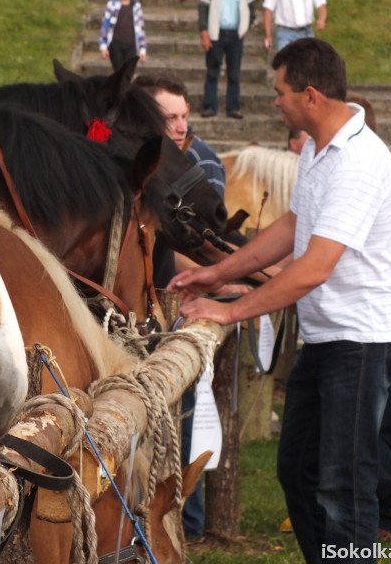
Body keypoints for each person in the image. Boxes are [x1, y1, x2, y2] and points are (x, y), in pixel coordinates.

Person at [168, 38, 391, 562]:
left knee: (342, 484)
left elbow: (313, 267)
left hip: (362, 340)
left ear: (310, 95)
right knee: (299, 472)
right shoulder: (316, 149)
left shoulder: (357, 160)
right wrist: (217, 272)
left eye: (280, 92)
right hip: (331, 336)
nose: (274, 101)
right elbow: (294, 227)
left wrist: (231, 308)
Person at [134, 72, 226, 537]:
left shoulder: (193, 167)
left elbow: (198, 244)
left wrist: (222, 279)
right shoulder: (139, 176)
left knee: (179, 424)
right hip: (139, 323)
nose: (179, 126)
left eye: (185, 117)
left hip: (169, 318)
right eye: (169, 117)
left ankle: (180, 522)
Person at [198, 0, 256, 120]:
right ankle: (210, 106)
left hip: (235, 35)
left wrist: (245, 27)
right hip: (216, 34)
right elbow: (202, 10)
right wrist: (204, 32)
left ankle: (233, 108)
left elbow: (252, 8)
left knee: (234, 73)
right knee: (212, 71)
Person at [99, 0, 147, 72]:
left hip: (131, 45)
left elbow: (140, 28)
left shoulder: (136, 6)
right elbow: (105, 26)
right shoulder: (111, 5)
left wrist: (142, 50)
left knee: (128, 72)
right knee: (119, 72)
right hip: (115, 44)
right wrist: (103, 46)